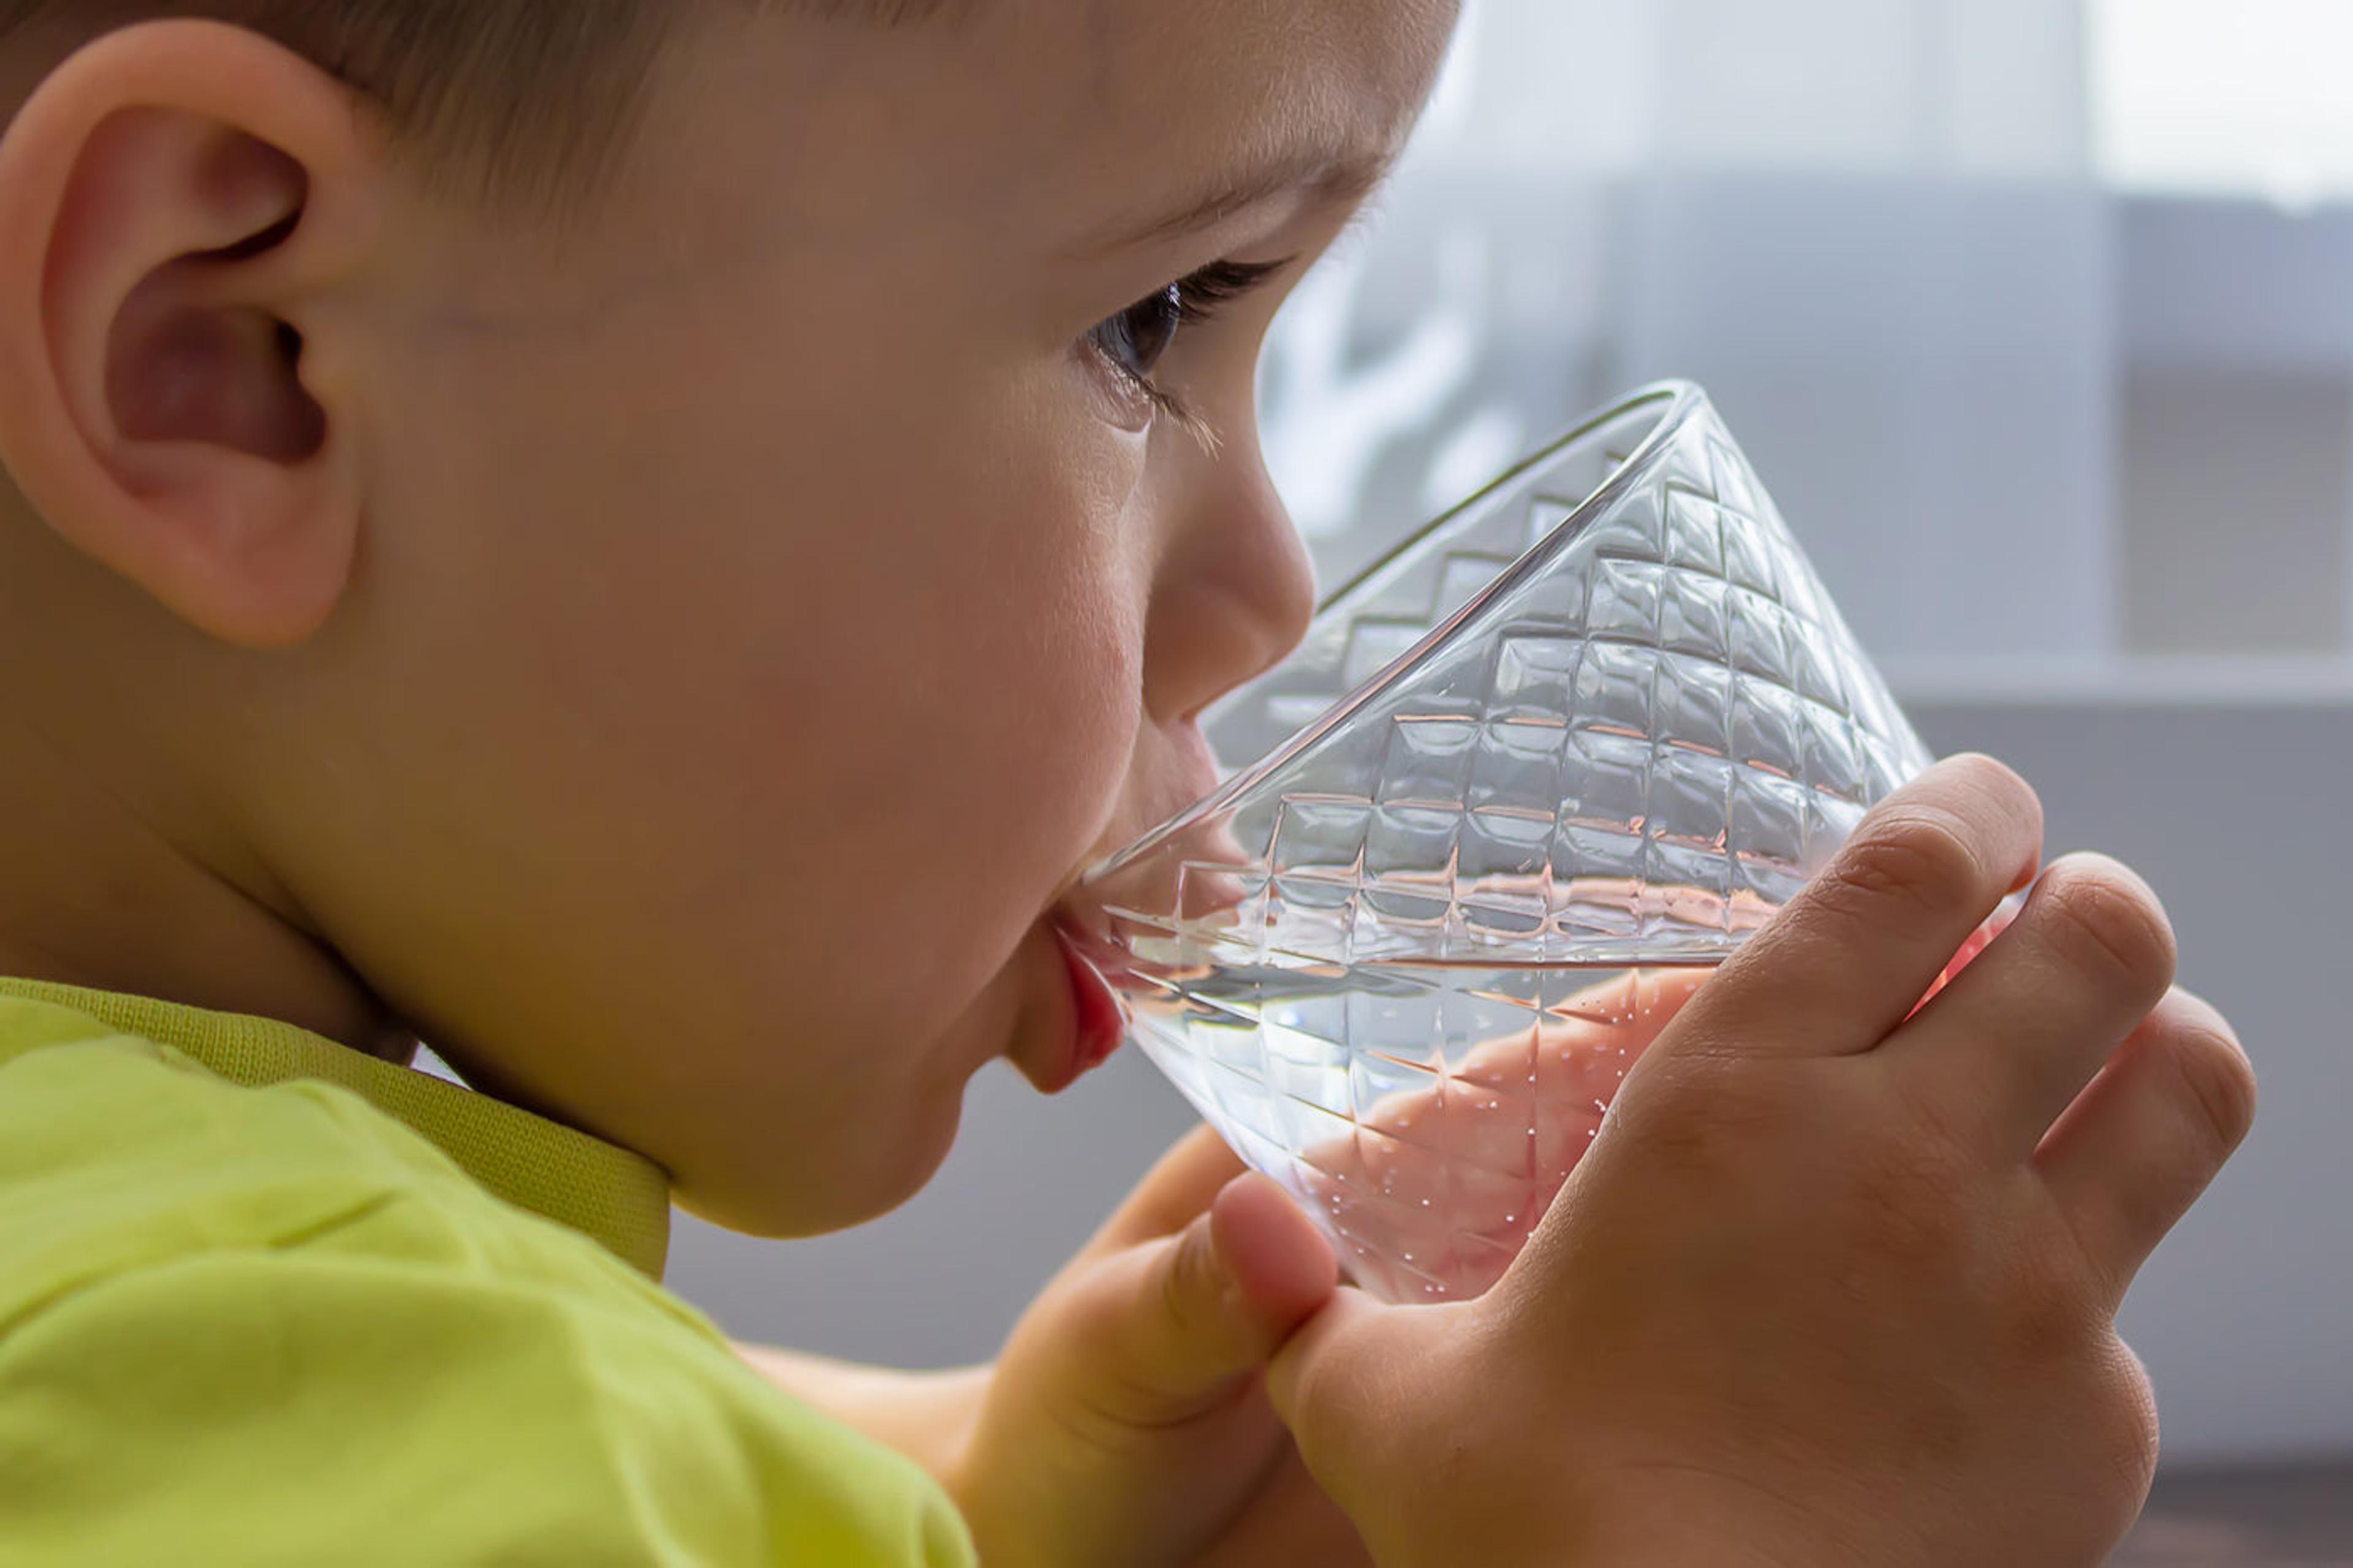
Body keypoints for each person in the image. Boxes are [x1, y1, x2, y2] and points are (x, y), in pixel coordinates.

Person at [0, 1, 2255, 1562]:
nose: (1268, 586)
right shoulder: (330, 1376)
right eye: (1152, 320)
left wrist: (969, 1501)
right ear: (230, 359)